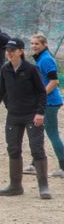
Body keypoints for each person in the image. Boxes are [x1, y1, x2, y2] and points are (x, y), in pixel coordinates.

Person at [0, 38, 50, 199]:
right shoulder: (5, 69)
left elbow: (42, 92)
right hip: (13, 115)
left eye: (12, 50)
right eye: (7, 50)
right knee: (13, 148)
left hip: (31, 114)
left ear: (21, 51)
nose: (9, 53)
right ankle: (15, 186)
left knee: (37, 148)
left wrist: (40, 113)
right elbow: (0, 91)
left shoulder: (31, 69)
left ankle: (43, 187)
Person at [26, 34, 64, 178]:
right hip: (46, 101)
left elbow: (54, 81)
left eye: (37, 43)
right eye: (32, 43)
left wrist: (41, 95)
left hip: (50, 102)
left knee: (52, 134)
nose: (34, 46)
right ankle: (34, 164)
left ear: (45, 45)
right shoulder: (41, 58)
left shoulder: (46, 59)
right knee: (38, 133)